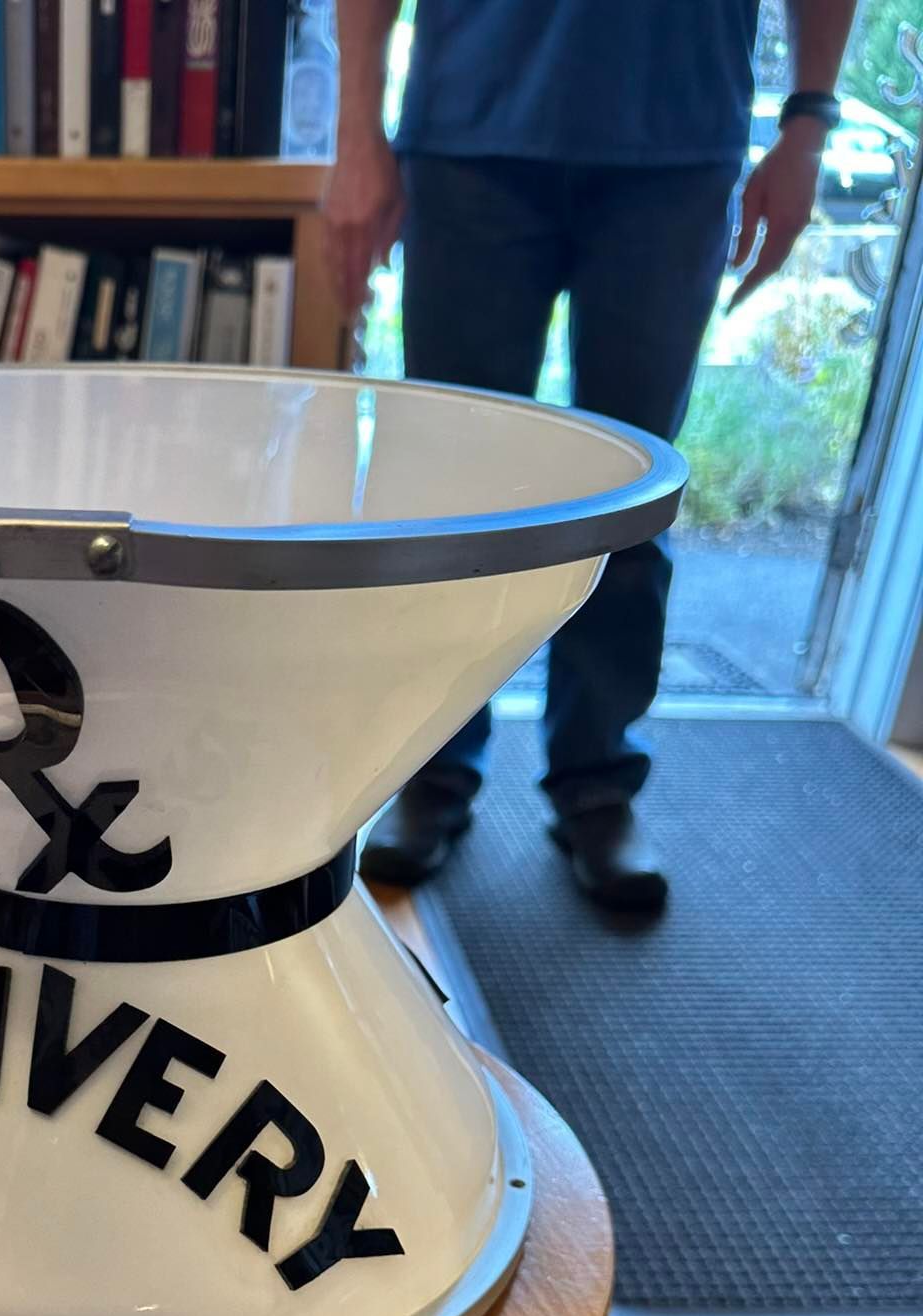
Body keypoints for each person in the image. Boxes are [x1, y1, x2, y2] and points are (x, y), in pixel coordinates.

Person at [329, 0, 857, 910]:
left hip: (678, 146)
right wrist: (356, 131)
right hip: (472, 134)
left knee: (632, 497)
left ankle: (597, 787)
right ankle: (431, 773)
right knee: (450, 499)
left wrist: (807, 125)